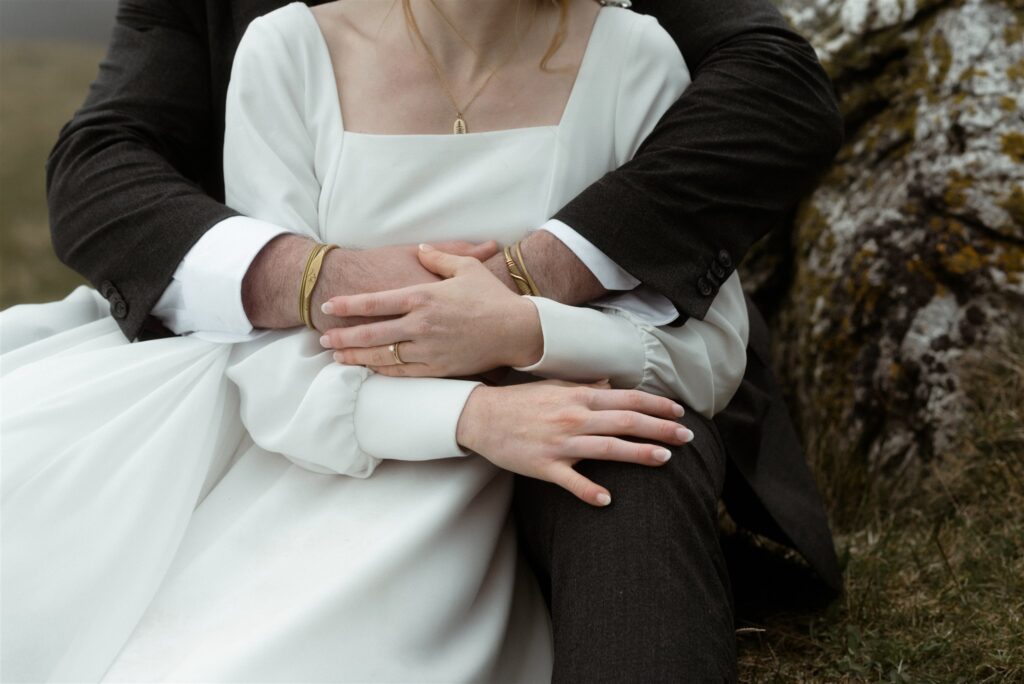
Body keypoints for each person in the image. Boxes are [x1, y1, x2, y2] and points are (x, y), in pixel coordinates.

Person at [2, 0, 843, 681]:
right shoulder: (289, 49)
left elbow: (778, 90)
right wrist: (332, 290)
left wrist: (522, 306)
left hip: (584, 369)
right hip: (326, 413)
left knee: (630, 476)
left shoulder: (634, 54)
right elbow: (101, 165)